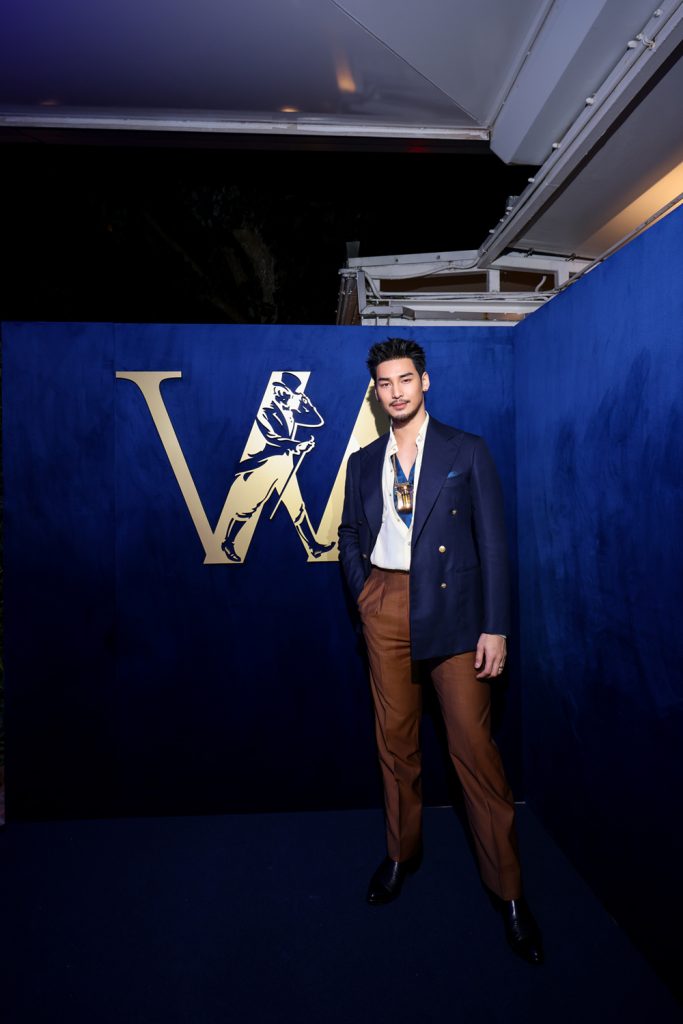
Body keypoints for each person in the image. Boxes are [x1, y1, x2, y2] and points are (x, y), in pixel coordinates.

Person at [338, 338, 542, 964]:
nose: (395, 391)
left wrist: (495, 626)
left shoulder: (465, 449)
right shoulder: (363, 461)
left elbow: (494, 542)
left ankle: (509, 891)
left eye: (405, 379)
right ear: (376, 392)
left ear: (424, 382)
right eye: (384, 383)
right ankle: (401, 854)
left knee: (474, 751)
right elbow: (349, 533)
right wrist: (366, 593)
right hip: (387, 605)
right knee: (395, 744)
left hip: (455, 613)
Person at [221, 371, 334, 562]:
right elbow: (273, 438)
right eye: (281, 390)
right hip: (267, 466)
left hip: (285, 467)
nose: (283, 394)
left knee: (297, 507)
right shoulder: (265, 411)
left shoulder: (292, 413)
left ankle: (313, 546)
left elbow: (317, 421)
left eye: (289, 392)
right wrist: (297, 446)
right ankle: (228, 542)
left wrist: (307, 403)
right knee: (248, 507)